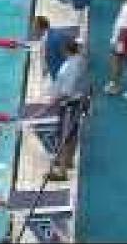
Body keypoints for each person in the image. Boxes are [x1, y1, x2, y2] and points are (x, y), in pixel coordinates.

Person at [46, 40, 87, 182]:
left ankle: (62, 172)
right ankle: (69, 160)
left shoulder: (70, 66)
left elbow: (67, 91)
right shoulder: (80, 60)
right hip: (78, 102)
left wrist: (54, 101)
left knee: (64, 137)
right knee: (73, 133)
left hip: (69, 104)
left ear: (66, 50)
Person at [35, 15, 72, 81]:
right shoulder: (44, 39)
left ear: (39, 28)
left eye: (34, 28)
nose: (33, 31)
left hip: (63, 77)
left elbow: (67, 57)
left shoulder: (56, 37)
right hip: (56, 76)